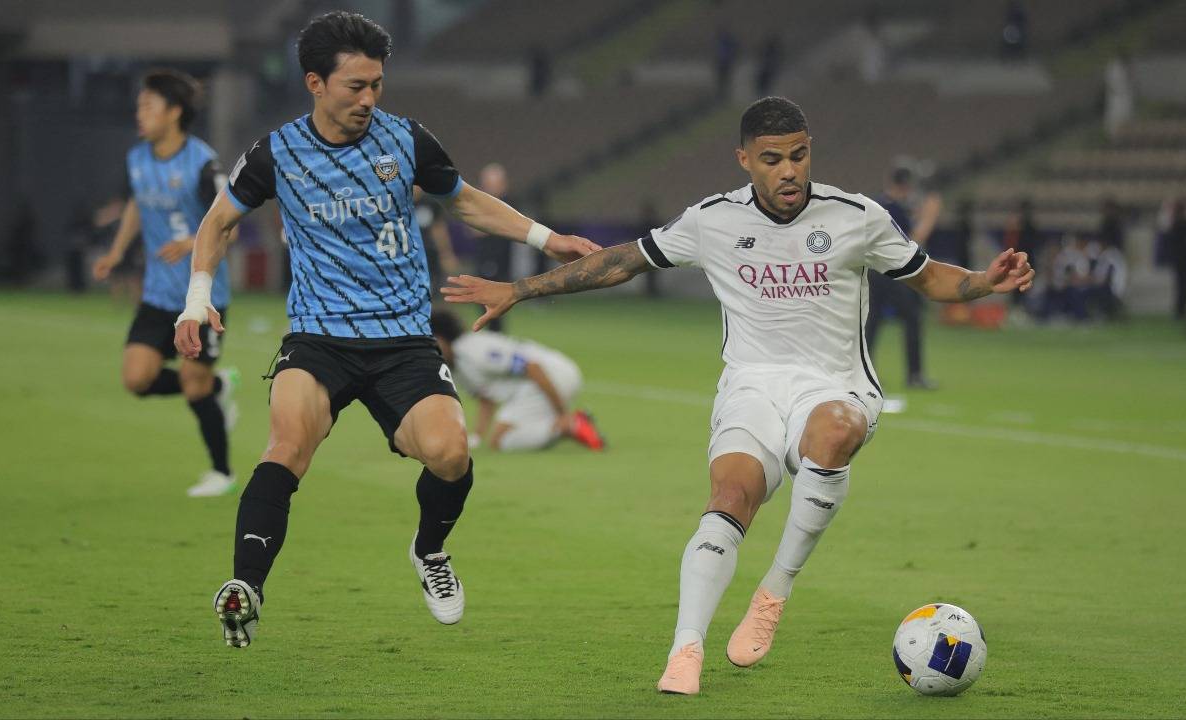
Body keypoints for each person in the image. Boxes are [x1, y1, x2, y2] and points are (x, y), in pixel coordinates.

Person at [442, 96, 1034, 695]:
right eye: (772, 159)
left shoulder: (858, 216)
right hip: (751, 385)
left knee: (834, 431)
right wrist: (520, 289)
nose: (789, 171)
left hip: (835, 383)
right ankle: (686, 648)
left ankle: (773, 591)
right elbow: (624, 262)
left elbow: (929, 276)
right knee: (730, 497)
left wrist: (984, 282)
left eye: (798, 156)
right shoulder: (712, 220)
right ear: (745, 160)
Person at [171, 11, 599, 648]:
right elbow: (218, 222)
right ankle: (246, 589)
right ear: (315, 83)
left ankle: (429, 550)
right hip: (318, 339)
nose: (369, 98)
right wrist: (196, 299)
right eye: (355, 86)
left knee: (452, 454)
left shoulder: (405, 140)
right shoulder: (275, 153)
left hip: (402, 341)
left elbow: (465, 200)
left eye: (376, 84)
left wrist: (545, 237)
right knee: (286, 445)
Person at [91, 68, 240, 498]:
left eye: (148, 106)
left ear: (174, 112)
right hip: (158, 294)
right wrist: (117, 251)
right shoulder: (138, 159)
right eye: (140, 106)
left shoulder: (203, 163)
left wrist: (191, 241)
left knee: (193, 386)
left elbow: (228, 224)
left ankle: (222, 472)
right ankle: (218, 385)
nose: (139, 114)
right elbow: (137, 205)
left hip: (203, 296)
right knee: (136, 379)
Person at [430, 310, 604, 452]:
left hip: (553, 374)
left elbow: (533, 367)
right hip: (539, 381)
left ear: (442, 337)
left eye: (432, 341)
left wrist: (562, 413)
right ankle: (567, 426)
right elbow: (486, 398)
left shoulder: (473, 349)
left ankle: (571, 425)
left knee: (500, 440)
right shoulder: (454, 364)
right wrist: (477, 437)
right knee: (502, 437)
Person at [865, 164, 942, 389]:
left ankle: (864, 374)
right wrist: (930, 215)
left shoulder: (878, 204)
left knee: (872, 322)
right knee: (912, 319)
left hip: (874, 271)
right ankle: (915, 375)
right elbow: (913, 241)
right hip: (894, 273)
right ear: (906, 186)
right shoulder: (895, 208)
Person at [473, 163, 514, 331]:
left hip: (500, 259)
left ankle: (496, 335)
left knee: (497, 301)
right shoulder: (480, 204)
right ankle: (491, 333)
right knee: (480, 299)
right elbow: (473, 231)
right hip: (484, 257)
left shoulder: (509, 205)